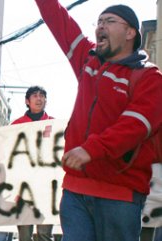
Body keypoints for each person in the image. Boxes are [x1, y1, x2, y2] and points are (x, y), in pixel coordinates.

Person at [34, 1, 162, 241]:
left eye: (109, 21)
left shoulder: (149, 77)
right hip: (74, 191)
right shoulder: (87, 60)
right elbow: (58, 19)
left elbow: (135, 125)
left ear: (130, 32)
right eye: (99, 22)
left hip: (120, 195)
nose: (100, 26)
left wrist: (92, 149)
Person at [11, 86, 53, 241]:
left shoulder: (55, 124)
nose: (39, 98)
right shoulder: (16, 125)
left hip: (47, 189)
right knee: (24, 234)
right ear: (27, 101)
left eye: (42, 95)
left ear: (46, 101)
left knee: (44, 234)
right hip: (23, 189)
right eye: (35, 95)